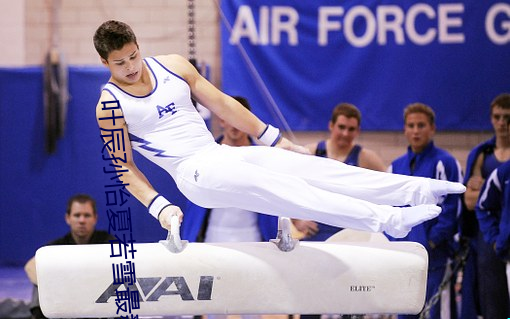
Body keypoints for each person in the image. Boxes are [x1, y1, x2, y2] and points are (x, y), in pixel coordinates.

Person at [93, 20, 464, 246]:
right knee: (289, 190)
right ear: (105, 63)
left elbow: (223, 103)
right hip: (193, 174)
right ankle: (387, 220)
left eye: (133, 56)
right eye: (119, 63)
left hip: (220, 156)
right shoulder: (110, 106)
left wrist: (274, 138)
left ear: (139, 46)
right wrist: (160, 207)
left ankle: (413, 188)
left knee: (312, 169)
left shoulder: (172, 65)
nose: (130, 68)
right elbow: (124, 168)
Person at [181, 96, 278, 319]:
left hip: (254, 239)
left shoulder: (262, 159)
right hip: (214, 238)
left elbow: (275, 199)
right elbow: (192, 198)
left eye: (239, 120)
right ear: (221, 120)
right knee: (215, 305)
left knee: (253, 306)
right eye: (229, 119)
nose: (235, 126)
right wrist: (187, 238)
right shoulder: (204, 154)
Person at [295, 102, 386, 319]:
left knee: (353, 300)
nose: (345, 134)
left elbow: (389, 192)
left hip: (351, 239)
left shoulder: (365, 158)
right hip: (317, 235)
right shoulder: (311, 152)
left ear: (357, 131)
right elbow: (285, 190)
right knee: (310, 302)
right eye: (341, 127)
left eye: (351, 129)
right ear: (331, 126)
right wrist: (297, 219)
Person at [387, 103, 462, 319]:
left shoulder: (445, 163)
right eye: (411, 126)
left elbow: (452, 209)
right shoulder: (395, 167)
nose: (416, 131)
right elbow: (388, 209)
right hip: (405, 259)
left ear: (432, 129)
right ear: (405, 130)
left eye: (421, 125)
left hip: (436, 257)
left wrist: (432, 241)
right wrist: (395, 243)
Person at [19, 194, 114, 319]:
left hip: (95, 303)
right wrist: (59, 285)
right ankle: (38, 318)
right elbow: (30, 266)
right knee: (42, 269)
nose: (82, 220)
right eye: (77, 215)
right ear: (68, 218)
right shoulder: (58, 246)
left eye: (87, 215)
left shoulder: (108, 242)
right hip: (64, 299)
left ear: (95, 219)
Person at [460, 93, 510, 319]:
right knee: (493, 304)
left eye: (507, 118)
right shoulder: (482, 154)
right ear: (491, 119)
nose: (502, 123)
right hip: (489, 238)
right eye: (497, 117)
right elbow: (469, 202)